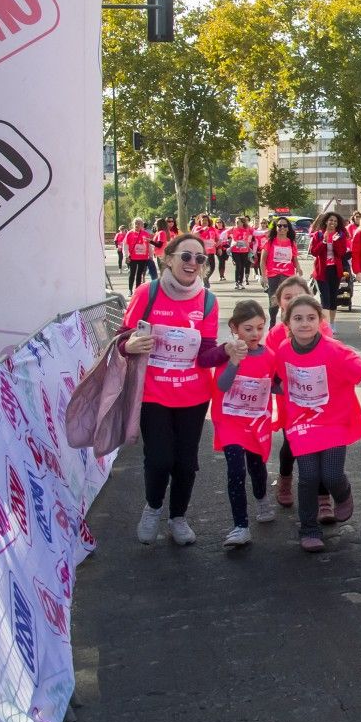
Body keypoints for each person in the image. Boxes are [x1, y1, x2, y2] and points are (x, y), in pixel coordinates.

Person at [120, 233, 227, 546]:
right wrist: (129, 345)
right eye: (186, 256)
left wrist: (226, 351)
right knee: (159, 459)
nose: (193, 263)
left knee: (186, 463)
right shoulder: (147, 293)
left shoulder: (208, 301)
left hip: (194, 396)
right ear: (168, 258)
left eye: (200, 258)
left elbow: (205, 355)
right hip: (153, 392)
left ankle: (178, 517)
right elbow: (122, 338)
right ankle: (153, 507)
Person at [271, 293, 361, 552]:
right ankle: (309, 529)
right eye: (298, 318)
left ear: (320, 320)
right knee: (308, 477)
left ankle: (342, 493)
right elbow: (275, 380)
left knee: (331, 475)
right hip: (301, 423)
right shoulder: (283, 350)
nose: (304, 323)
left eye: (311, 318)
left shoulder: (334, 349)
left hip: (333, 422)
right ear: (287, 322)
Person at [210, 300, 279, 547]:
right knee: (236, 471)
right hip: (230, 422)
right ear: (234, 328)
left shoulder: (270, 356)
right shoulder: (227, 353)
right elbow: (222, 385)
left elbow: (275, 384)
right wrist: (234, 361)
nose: (255, 334)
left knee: (257, 466)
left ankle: (261, 498)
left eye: (260, 328)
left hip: (257, 423)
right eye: (248, 329)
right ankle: (240, 526)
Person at [267, 276, 334, 513]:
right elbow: (269, 370)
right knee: (291, 445)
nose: (294, 300)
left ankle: (323, 496)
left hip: (319, 401)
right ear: (279, 303)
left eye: (299, 295)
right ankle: (285, 480)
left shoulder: (321, 327)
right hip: (291, 402)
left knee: (322, 446)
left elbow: (332, 359)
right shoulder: (275, 333)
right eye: (288, 297)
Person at [309, 211, 350, 327]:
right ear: (326, 221)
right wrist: (324, 242)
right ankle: (325, 325)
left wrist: (335, 242)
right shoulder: (318, 235)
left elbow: (341, 253)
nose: (333, 222)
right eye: (331, 220)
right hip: (321, 271)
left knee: (333, 298)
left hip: (335, 271)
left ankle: (332, 323)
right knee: (325, 297)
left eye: (335, 221)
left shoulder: (340, 235)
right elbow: (314, 252)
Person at [262, 216, 300, 299]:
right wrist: (264, 276)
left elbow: (295, 259)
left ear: (288, 228)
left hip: (288, 275)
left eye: (285, 226)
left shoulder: (292, 243)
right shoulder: (270, 242)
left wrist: (298, 268)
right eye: (279, 226)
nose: (282, 227)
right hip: (273, 275)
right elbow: (263, 260)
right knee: (274, 303)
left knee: (288, 301)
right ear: (276, 228)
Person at [123, 218, 154, 291]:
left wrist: (151, 256)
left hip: (143, 258)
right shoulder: (129, 233)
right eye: (135, 223)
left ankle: (137, 290)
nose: (137, 225)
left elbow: (149, 246)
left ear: (142, 225)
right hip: (133, 257)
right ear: (133, 224)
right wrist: (126, 256)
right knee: (132, 274)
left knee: (139, 275)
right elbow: (125, 245)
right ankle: (130, 290)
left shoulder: (146, 234)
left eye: (139, 223)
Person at [228, 216, 256, 290]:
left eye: (238, 222)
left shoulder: (247, 229)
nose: (237, 223)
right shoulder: (233, 229)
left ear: (242, 223)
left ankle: (240, 282)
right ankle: (237, 282)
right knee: (238, 265)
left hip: (244, 251)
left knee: (242, 266)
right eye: (236, 222)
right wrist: (221, 240)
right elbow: (224, 233)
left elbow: (256, 233)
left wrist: (266, 232)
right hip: (235, 250)